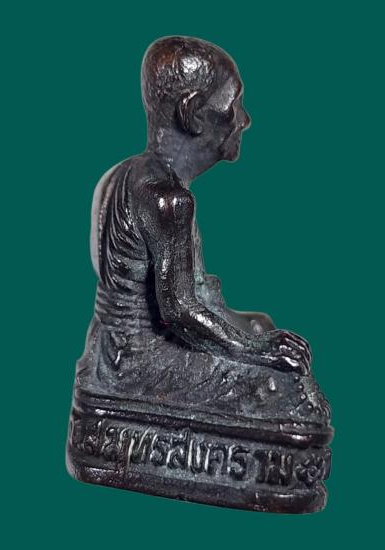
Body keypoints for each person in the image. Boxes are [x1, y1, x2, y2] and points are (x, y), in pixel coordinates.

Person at [76, 36, 330, 428]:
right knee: (278, 382)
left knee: (260, 324)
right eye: (233, 106)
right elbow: (179, 312)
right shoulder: (168, 201)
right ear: (193, 114)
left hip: (108, 346)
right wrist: (255, 351)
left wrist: (253, 338)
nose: (244, 120)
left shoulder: (118, 174)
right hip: (137, 360)